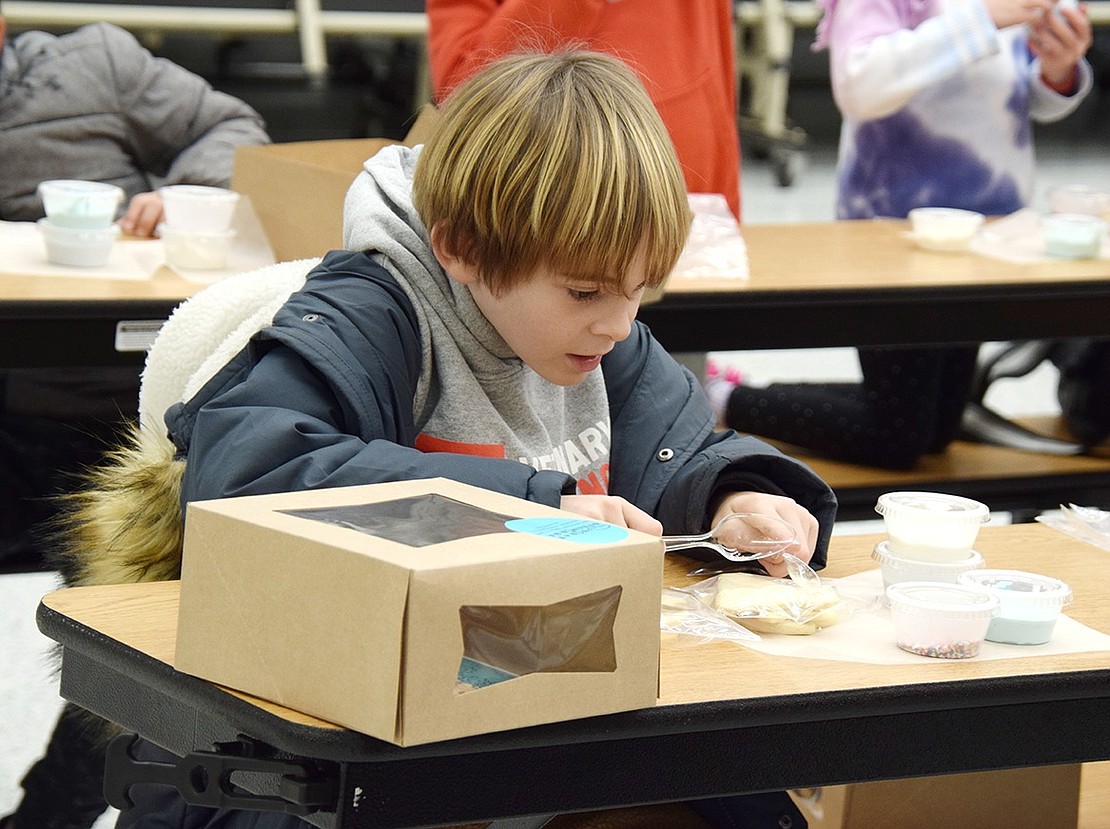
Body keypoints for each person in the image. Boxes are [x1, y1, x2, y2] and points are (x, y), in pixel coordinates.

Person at [54, 50, 836, 829]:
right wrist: (536, 509)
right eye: (589, 290)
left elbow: (675, 449)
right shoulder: (375, 316)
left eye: (641, 291)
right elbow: (250, 476)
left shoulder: (598, 333)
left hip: (517, 723)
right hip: (319, 752)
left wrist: (737, 495)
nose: (619, 321)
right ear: (461, 245)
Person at [0, 11, 269, 829]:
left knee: (134, 645)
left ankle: (51, 814)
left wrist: (178, 198)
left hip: (122, 422)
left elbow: (234, 126)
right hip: (7, 412)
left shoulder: (95, 63)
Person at [716, 0, 1093, 469]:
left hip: (988, 236)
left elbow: (1012, 89)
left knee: (936, 427)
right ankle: (721, 399)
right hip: (892, 234)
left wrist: (1057, 69)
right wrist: (982, 20)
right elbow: (860, 86)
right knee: (898, 436)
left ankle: (735, 395)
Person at [424, 0, 742, 220]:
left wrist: (728, 215)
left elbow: (716, 75)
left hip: (688, 210)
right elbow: (465, 94)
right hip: (543, 220)